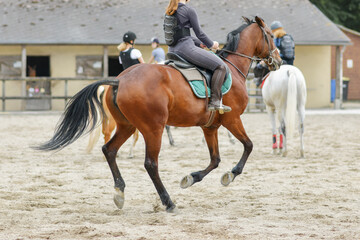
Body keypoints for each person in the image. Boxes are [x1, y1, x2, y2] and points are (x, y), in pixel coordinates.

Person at [164, 0, 231, 113]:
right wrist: (212, 45)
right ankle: (215, 101)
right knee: (221, 66)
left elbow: (182, 34)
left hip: (172, 50)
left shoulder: (169, 11)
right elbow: (199, 33)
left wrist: (200, 43)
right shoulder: (188, 10)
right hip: (185, 49)